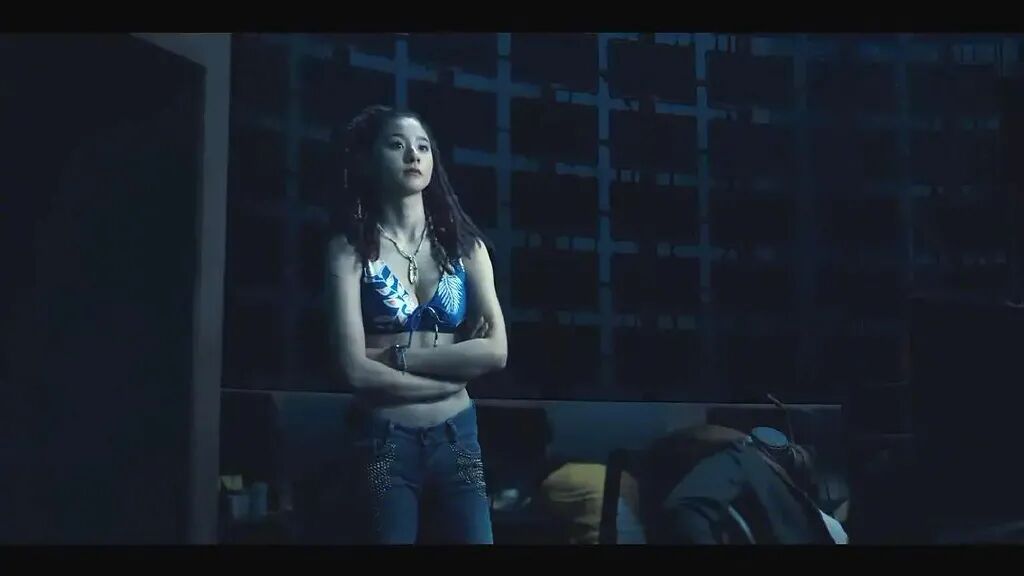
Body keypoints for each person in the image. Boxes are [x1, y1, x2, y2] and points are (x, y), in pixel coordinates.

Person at [324, 105, 508, 544]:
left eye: (423, 147)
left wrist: (398, 357)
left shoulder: (466, 248)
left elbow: (496, 351)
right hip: (384, 438)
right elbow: (354, 370)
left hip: (459, 436)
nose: (413, 155)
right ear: (370, 159)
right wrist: (452, 379)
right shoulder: (349, 251)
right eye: (397, 145)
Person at [646, 425, 847, 545]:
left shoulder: (800, 502)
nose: (802, 453)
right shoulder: (741, 460)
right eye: (797, 452)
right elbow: (686, 509)